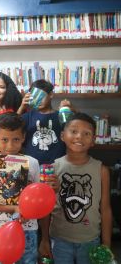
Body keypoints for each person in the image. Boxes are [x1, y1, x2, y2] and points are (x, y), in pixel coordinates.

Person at [39, 112, 112, 264]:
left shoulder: (101, 170)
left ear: (93, 140)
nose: (79, 136)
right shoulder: (52, 169)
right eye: (73, 131)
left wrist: (106, 244)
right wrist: (44, 239)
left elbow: (105, 209)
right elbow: (45, 208)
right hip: (59, 241)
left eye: (86, 133)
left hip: (91, 241)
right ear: (62, 135)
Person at [0, 112, 40, 264]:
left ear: (23, 137)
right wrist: (15, 209)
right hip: (1, 228)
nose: (10, 146)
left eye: (15, 139)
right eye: (4, 140)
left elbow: (39, 200)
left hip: (28, 228)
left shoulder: (32, 163)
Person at [17, 79, 68, 164]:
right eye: (34, 96)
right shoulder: (29, 116)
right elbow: (11, 125)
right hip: (32, 164)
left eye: (41, 96)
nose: (38, 100)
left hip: (56, 163)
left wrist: (70, 109)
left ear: (51, 94)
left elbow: (75, 126)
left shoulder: (60, 116)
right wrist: (22, 107)